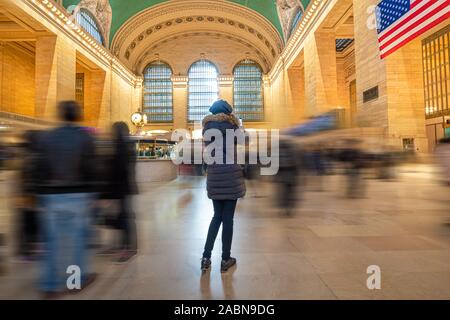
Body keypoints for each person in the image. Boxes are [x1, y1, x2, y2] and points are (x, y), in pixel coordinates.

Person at [33, 101, 97, 298]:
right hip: (78, 195)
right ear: (77, 115)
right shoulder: (84, 137)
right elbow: (91, 167)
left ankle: (50, 285)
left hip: (51, 196)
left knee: (51, 242)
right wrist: (93, 194)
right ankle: (74, 282)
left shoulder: (48, 137)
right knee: (77, 241)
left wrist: (39, 194)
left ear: (60, 115)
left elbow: (40, 166)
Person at [201, 100, 246, 273]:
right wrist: (237, 122)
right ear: (229, 112)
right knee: (228, 219)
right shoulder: (233, 127)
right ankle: (226, 258)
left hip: (214, 176)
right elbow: (243, 140)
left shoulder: (207, 129)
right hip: (231, 177)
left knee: (216, 217)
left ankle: (206, 257)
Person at [103, 122, 138, 263]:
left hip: (121, 188)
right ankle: (124, 246)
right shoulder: (128, 146)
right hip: (125, 188)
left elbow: (119, 171)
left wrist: (109, 192)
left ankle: (127, 248)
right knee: (124, 217)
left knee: (124, 218)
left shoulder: (120, 147)